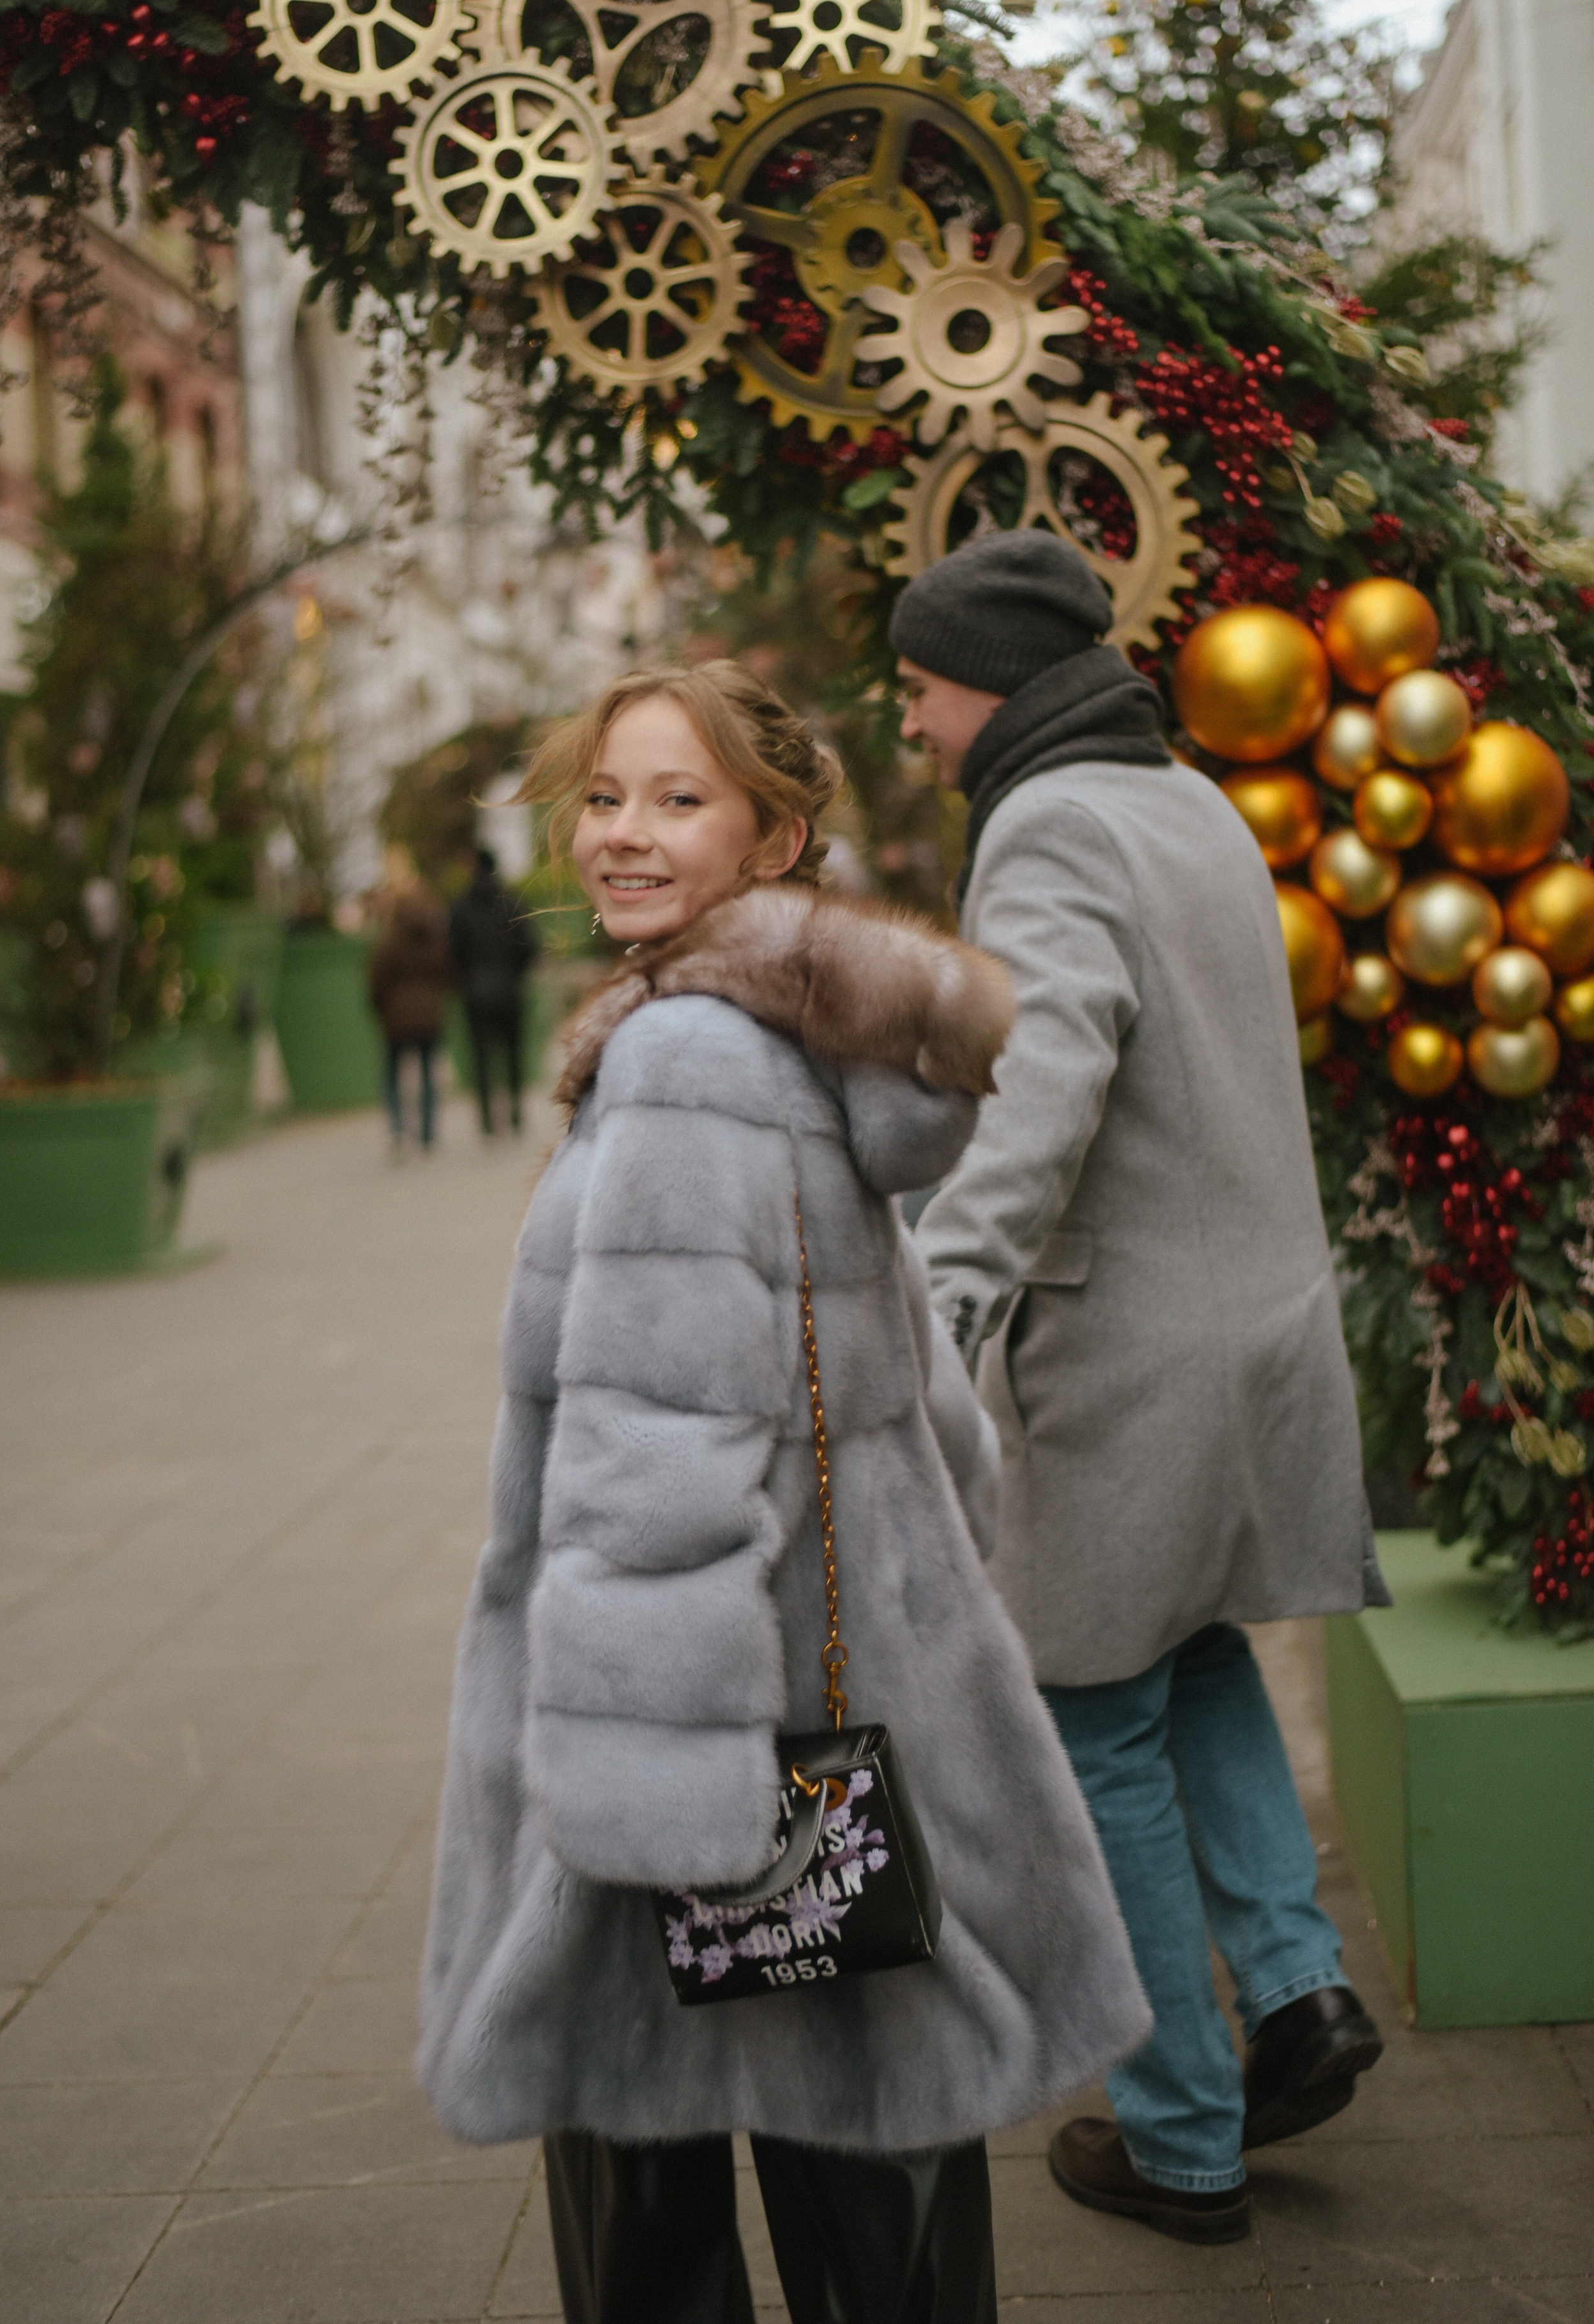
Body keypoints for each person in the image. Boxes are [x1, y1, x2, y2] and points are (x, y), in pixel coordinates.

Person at [417, 661, 1149, 2324]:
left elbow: (660, 1447)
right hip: (825, 1677)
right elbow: (911, 1375)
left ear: (776, 837)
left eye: (678, 801)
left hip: (687, 1715)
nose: (622, 834)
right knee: (861, 2119)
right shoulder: (803, 1032)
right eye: (606, 796)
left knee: (643, 2149)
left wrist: (625, 1790)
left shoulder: (684, 1054)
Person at [898, 532, 1389, 2247]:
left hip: (1132, 1359)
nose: (911, 724)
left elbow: (1044, 1084)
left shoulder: (1047, 824)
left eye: (921, 689)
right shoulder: (1188, 803)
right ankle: (1302, 1986)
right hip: (1253, 1323)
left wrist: (941, 1296)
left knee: (1091, 1709)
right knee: (1190, 1656)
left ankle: (1184, 2134)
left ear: (999, 687)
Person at [448, 846, 540, 1134]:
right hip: (510, 990)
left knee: (480, 1057)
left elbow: (453, 951)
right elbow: (531, 947)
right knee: (513, 1052)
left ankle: (488, 1119)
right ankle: (515, 1112)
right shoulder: (511, 904)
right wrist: (516, 974)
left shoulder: (460, 907)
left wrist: (465, 979)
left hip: (475, 992)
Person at [367, 881, 452, 1152]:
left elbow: (377, 982)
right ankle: (428, 1133)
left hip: (396, 1019)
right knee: (428, 1074)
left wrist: (380, 1010)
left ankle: (398, 1128)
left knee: (393, 1074)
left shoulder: (388, 943)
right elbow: (447, 976)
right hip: (429, 1017)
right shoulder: (435, 943)